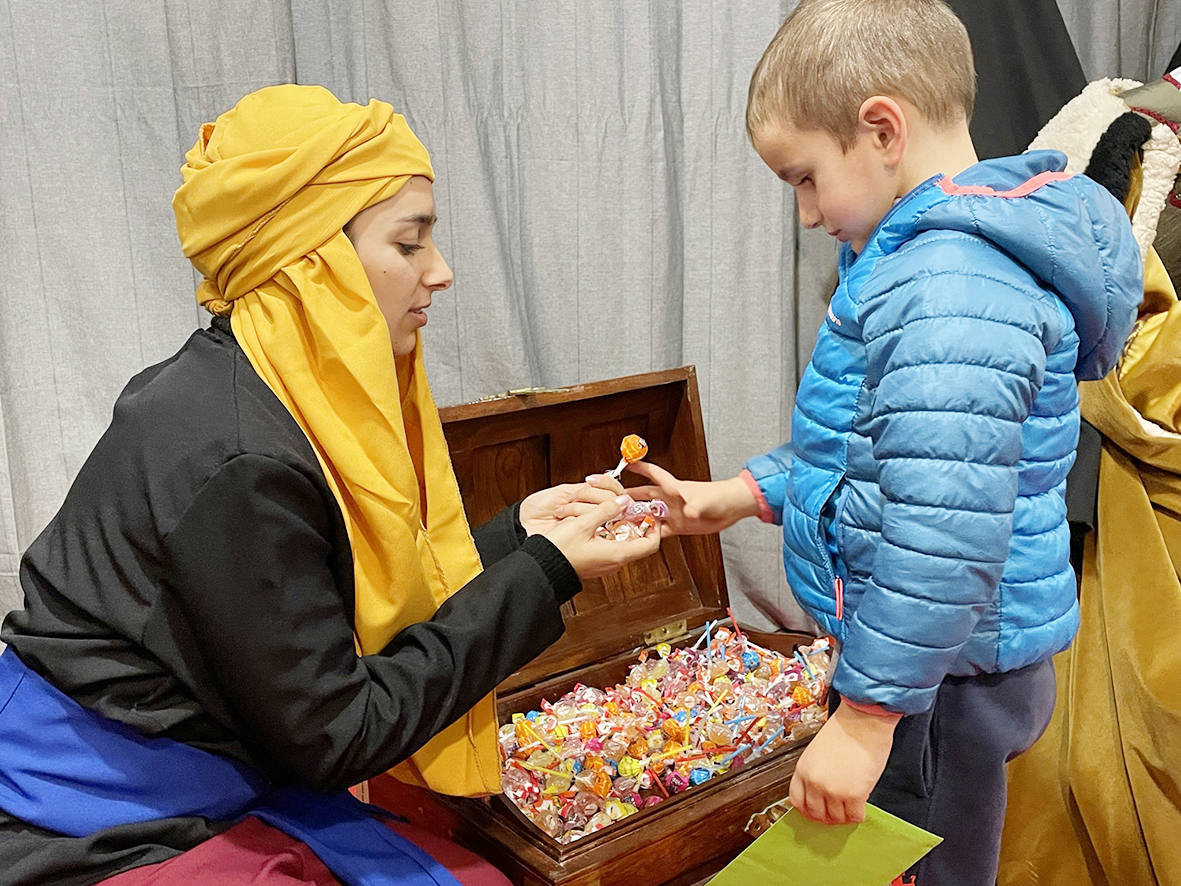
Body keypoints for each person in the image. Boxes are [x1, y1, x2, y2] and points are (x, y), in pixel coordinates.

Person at [0, 84, 659, 885]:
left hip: (218, 751)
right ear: (315, 264)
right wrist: (549, 570)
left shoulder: (256, 389)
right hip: (98, 802)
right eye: (410, 244)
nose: (440, 272)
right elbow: (338, 734)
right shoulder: (239, 454)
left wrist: (520, 531)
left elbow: (326, 605)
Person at [617, 1, 1143, 883]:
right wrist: (737, 495)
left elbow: (939, 530)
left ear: (880, 129)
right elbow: (887, 461)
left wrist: (865, 717)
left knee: (926, 866)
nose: (805, 212)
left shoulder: (947, 278)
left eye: (805, 177)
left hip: (938, 679)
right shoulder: (936, 259)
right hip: (933, 664)